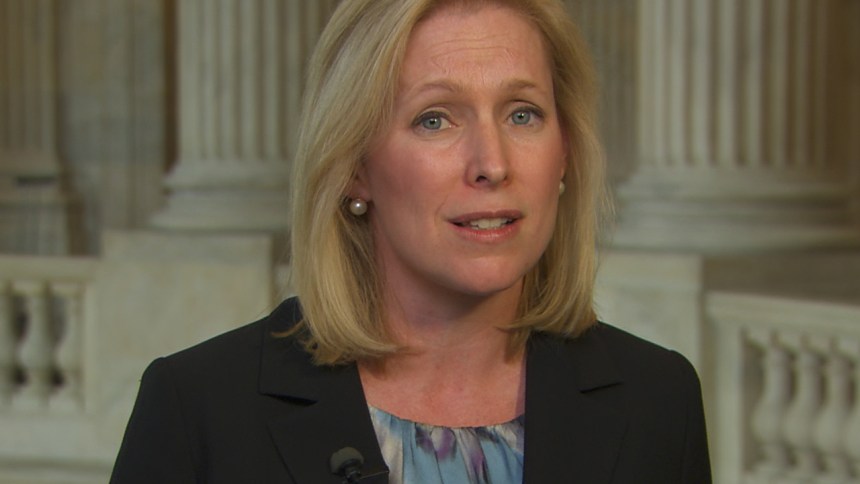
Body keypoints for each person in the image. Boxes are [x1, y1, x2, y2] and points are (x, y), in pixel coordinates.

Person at [111, 0, 712, 482]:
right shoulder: (199, 409)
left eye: (522, 114)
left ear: (565, 155)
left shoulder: (660, 400)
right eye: (435, 119)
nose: (492, 164)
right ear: (354, 167)